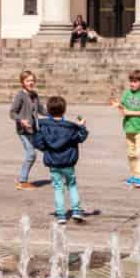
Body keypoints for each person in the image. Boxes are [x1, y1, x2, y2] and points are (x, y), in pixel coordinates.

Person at [32, 95, 90, 224]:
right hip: (68, 161)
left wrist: (47, 150)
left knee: (58, 187)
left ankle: (61, 214)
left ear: (48, 110)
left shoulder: (43, 127)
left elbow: (37, 142)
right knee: (72, 185)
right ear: (64, 110)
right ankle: (76, 210)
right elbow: (81, 137)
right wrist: (82, 126)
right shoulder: (70, 128)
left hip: (53, 162)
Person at [111, 68, 140, 188]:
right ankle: (134, 175)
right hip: (128, 127)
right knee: (130, 153)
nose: (132, 84)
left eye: (135, 82)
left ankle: (139, 177)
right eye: (131, 81)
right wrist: (119, 106)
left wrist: (129, 112)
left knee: (138, 152)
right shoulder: (127, 93)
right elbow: (124, 110)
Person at [8, 71, 46, 190]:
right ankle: (22, 181)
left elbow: (41, 110)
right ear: (22, 82)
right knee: (31, 154)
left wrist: (54, 113)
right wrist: (21, 120)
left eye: (32, 80)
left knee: (45, 149)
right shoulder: (20, 95)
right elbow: (12, 112)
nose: (31, 83)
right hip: (23, 131)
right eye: (28, 81)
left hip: (33, 130)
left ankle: (58, 174)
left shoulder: (34, 94)